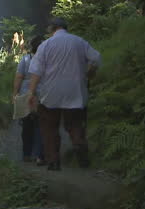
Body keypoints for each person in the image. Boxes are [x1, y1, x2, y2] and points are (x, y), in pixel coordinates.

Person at [27, 17, 101, 171]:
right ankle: (79, 147)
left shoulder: (45, 45)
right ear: (65, 28)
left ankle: (53, 161)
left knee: (49, 127)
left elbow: (36, 72)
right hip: (75, 91)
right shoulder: (79, 42)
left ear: (51, 29)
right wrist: (89, 73)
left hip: (51, 93)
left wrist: (31, 93)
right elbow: (96, 59)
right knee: (75, 124)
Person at [12, 35, 45, 164]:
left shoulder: (25, 60)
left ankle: (26, 154)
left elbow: (19, 77)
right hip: (43, 96)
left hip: (26, 96)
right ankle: (39, 155)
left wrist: (15, 94)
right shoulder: (47, 60)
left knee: (26, 126)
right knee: (40, 126)